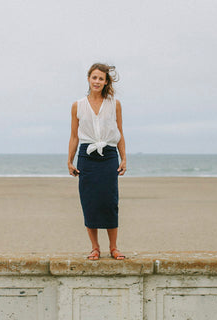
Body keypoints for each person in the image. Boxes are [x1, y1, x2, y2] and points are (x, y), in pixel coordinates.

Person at [67, 63, 127, 260]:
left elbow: (119, 133)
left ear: (106, 81)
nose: (97, 81)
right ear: (88, 79)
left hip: (109, 155)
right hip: (86, 155)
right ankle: (95, 248)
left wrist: (124, 157)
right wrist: (70, 160)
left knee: (110, 201)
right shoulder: (77, 105)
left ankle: (114, 247)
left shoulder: (114, 104)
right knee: (89, 201)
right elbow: (74, 136)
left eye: (101, 78)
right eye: (94, 77)